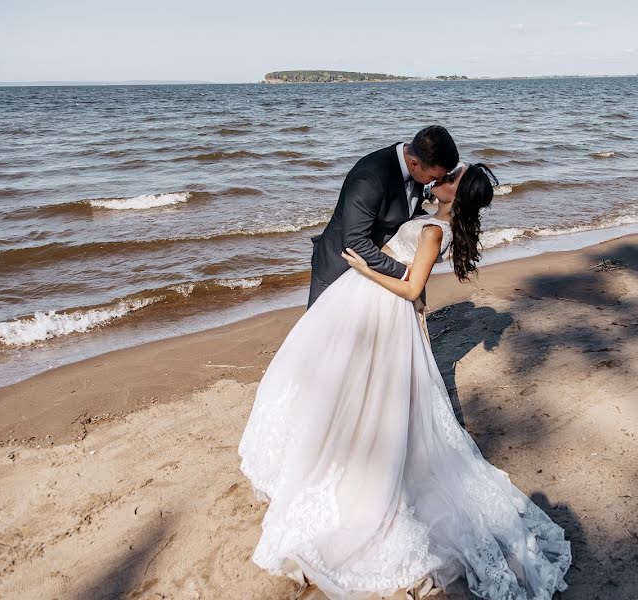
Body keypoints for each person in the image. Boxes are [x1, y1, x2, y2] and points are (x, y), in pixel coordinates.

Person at [238, 162, 572, 600]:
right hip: (373, 304)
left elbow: (412, 286)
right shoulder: (434, 219)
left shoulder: (436, 230)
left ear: (457, 193)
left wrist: (364, 267)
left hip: (380, 301)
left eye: (451, 177)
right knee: (351, 382)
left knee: (368, 391)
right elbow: (418, 284)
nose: (443, 177)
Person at [308, 125, 459, 307]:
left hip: (373, 270)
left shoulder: (417, 170)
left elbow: (405, 213)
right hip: (338, 269)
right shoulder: (370, 177)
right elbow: (355, 241)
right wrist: (404, 273)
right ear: (414, 164)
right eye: (433, 177)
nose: (435, 182)